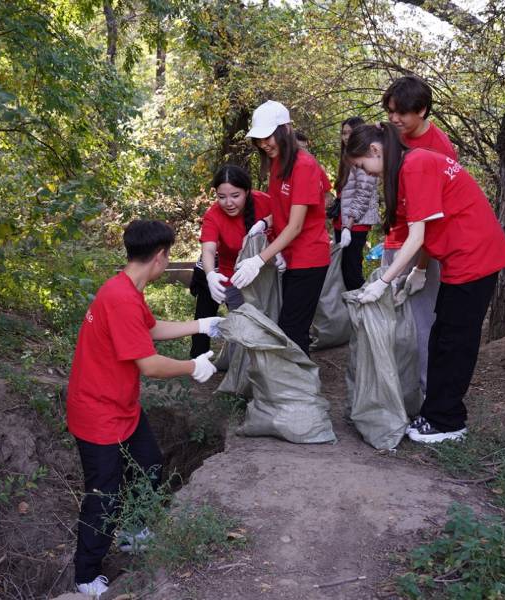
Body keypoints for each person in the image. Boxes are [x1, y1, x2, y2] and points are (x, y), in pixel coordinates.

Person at [67, 220, 221, 598]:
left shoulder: (127, 289)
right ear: (159, 257)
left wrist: (201, 324)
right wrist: (193, 367)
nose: (167, 262)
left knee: (149, 462)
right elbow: (150, 365)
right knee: (104, 493)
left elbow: (149, 329)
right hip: (98, 413)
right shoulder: (119, 298)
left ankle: (133, 534)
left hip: (122, 407)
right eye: (167, 256)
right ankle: (85, 576)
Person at [345, 123, 505, 443]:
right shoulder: (413, 164)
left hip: (475, 257)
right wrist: (417, 271)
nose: (367, 173)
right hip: (461, 258)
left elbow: (416, 235)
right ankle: (435, 413)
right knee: (441, 336)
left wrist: (384, 281)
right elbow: (427, 231)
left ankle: (448, 422)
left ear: (375, 151)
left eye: (362, 165)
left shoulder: (416, 166)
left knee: (454, 342)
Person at [232, 100, 331, 356]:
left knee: (294, 329)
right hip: (288, 256)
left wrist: (258, 260)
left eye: (268, 137)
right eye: (259, 139)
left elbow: (296, 225)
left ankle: (301, 392)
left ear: (285, 129)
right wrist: (264, 223)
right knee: (288, 326)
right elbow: (283, 212)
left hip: (309, 258)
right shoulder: (278, 163)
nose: (264, 144)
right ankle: (291, 390)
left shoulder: (305, 166)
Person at [381, 75, 457, 393]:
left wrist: (421, 267)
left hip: (423, 247)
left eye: (401, 113)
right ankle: (394, 389)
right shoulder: (394, 136)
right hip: (395, 237)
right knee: (389, 318)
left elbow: (433, 220)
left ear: (422, 110)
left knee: (421, 322)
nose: (394, 119)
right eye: (390, 112)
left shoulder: (439, 148)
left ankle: (426, 394)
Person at [189, 165, 274, 358]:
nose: (228, 203)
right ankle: (240, 371)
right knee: (241, 321)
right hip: (234, 277)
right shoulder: (213, 215)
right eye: (222, 197)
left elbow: (285, 217)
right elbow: (209, 249)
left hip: (268, 273)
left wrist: (267, 223)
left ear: (247, 191)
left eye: (235, 196)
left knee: (269, 319)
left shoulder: (264, 201)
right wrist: (210, 274)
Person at [334, 116, 379, 291]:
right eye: (343, 133)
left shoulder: (364, 158)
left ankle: (363, 310)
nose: (346, 137)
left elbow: (363, 194)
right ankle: (350, 310)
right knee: (343, 270)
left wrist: (349, 225)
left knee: (351, 271)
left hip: (355, 224)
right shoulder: (347, 157)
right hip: (342, 222)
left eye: (350, 133)